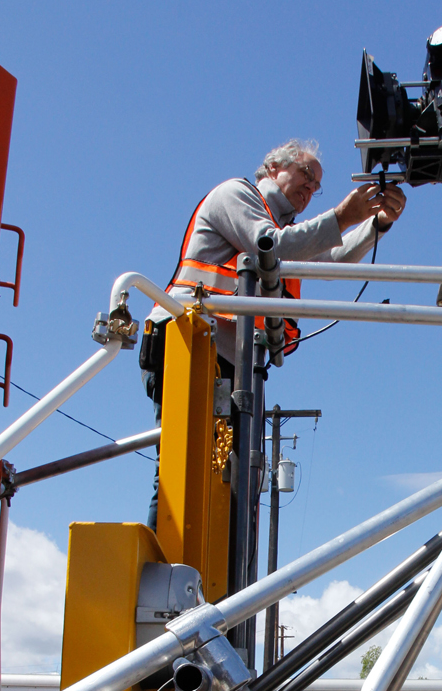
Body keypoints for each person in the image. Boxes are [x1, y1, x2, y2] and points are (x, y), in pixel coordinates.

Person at [142, 139, 406, 525]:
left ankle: (210, 579)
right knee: (181, 465)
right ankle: (160, 571)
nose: (311, 189)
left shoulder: (291, 231)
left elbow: (336, 256)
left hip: (232, 362)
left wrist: (376, 223)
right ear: (272, 168)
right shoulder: (236, 195)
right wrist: (343, 216)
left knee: (229, 477)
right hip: (188, 342)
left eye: (317, 186)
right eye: (306, 175)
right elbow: (271, 246)